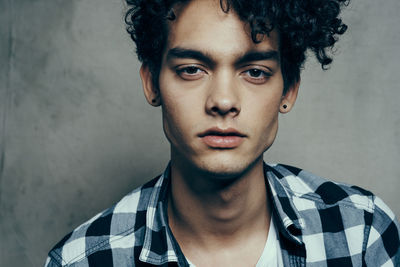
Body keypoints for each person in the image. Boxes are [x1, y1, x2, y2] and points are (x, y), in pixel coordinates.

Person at [44, 0, 400, 266]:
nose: (224, 101)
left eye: (256, 72)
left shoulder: (361, 232)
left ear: (288, 90)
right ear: (152, 82)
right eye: (192, 70)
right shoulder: (83, 260)